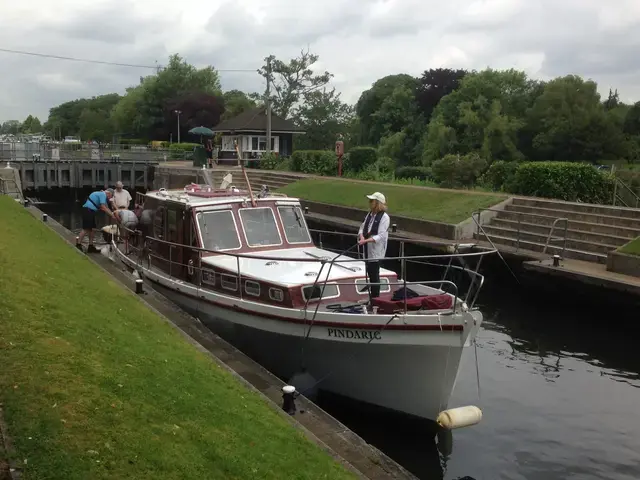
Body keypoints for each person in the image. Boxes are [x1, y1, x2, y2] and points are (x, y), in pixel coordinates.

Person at [358, 192, 390, 300]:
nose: (369, 203)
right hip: (367, 248)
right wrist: (362, 236)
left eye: (371, 201)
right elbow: (362, 227)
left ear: (377, 203)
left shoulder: (385, 217)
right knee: (370, 272)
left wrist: (366, 240)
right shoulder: (369, 214)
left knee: (374, 274)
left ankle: (375, 299)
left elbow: (381, 235)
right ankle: (372, 297)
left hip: (376, 251)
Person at [77, 188, 120, 253]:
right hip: (88, 210)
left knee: (92, 229)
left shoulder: (101, 195)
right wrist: (112, 216)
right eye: (111, 196)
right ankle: (78, 245)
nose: (109, 198)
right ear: (109, 193)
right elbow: (103, 207)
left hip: (90, 211)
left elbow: (106, 207)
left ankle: (90, 246)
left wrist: (112, 214)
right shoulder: (103, 195)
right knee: (86, 229)